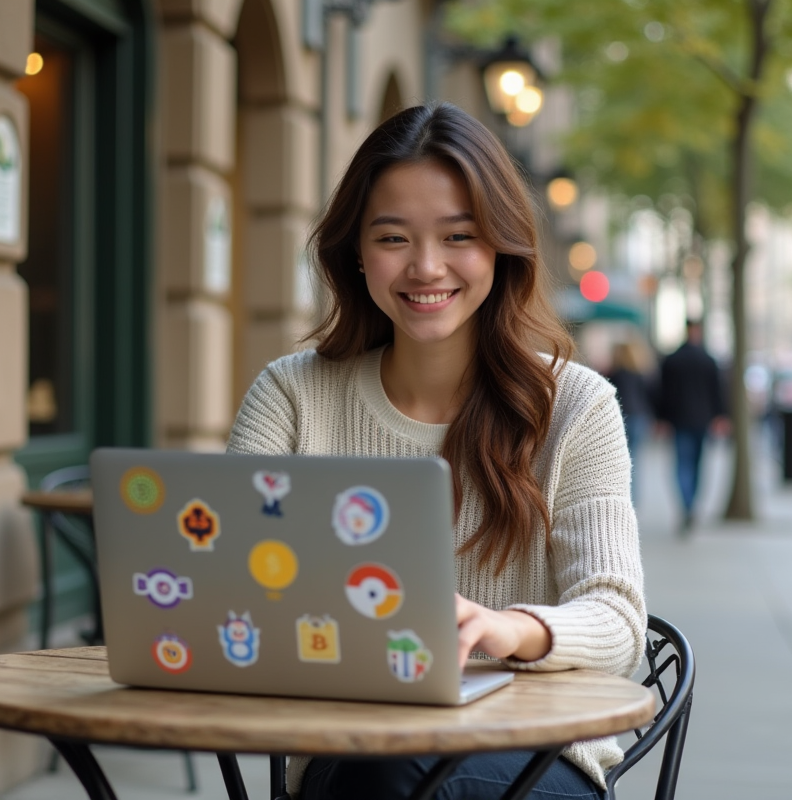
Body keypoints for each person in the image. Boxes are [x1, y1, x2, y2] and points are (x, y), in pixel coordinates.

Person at [227, 103, 646, 800]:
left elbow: (618, 619)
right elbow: (230, 589)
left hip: (536, 759)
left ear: (501, 247)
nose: (425, 267)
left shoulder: (577, 405)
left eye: (459, 236)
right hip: (352, 751)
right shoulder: (291, 395)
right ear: (356, 252)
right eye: (393, 237)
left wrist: (506, 628)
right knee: (386, 775)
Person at [656, 318, 726, 531]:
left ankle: (687, 505)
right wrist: (720, 416)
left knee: (683, 464)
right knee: (696, 465)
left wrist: (662, 418)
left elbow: (662, 393)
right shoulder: (708, 360)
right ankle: (691, 504)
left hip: (679, 420)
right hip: (702, 420)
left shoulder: (672, 360)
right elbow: (718, 391)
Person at [606, 339, 657, 503]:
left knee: (620, 459)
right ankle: (633, 496)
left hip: (621, 417)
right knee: (635, 459)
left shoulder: (614, 374)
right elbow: (648, 397)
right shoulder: (639, 374)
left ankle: (624, 494)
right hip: (639, 417)